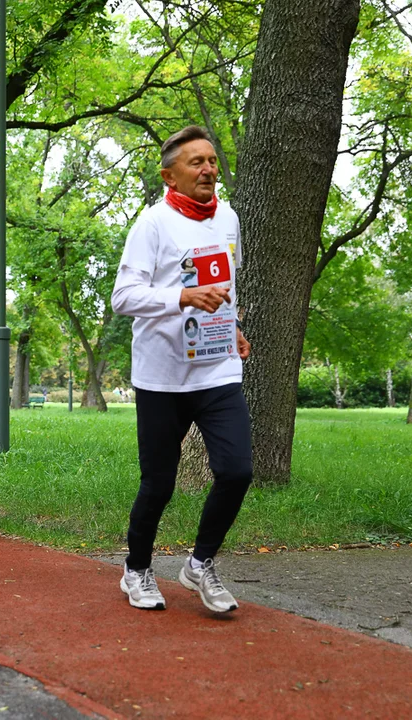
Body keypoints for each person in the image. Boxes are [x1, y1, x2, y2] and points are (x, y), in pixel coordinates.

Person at [111, 125, 252, 613]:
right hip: (162, 376)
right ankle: (137, 570)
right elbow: (123, 297)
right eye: (197, 162)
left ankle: (200, 564)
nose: (209, 169)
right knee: (160, 482)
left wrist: (231, 327)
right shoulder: (152, 225)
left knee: (237, 471)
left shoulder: (228, 219)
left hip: (217, 370)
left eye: (212, 161)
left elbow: (225, 285)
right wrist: (182, 297)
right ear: (170, 174)